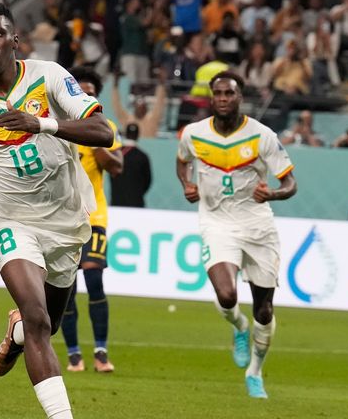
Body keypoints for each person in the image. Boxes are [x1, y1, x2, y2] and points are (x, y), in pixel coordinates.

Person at [0, 3, 114, 418]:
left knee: (45, 325)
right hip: (10, 220)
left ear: (14, 40)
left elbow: (103, 132)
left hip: (67, 220)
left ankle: (15, 334)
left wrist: (42, 124)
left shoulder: (50, 77)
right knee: (38, 319)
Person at [176, 71, 298, 399]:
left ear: (240, 96)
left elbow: (290, 184)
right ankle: (239, 327)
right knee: (227, 295)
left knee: (265, 310)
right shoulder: (194, 133)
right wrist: (187, 185)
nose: (223, 98)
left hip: (258, 226)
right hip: (216, 222)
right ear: (211, 97)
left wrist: (271, 193)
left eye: (230, 93)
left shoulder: (262, 136)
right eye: (218, 93)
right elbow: (182, 162)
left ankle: (255, 372)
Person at [59, 66, 122, 374]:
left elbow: (118, 167)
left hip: (94, 215)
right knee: (66, 286)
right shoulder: (58, 126)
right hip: (61, 219)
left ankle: (100, 351)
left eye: (91, 94)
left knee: (94, 278)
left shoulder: (105, 128)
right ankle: (73, 354)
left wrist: (98, 146)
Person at [111, 68, 166, 139]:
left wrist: (161, 84)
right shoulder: (128, 119)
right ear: (135, 107)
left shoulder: (152, 119)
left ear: (146, 109)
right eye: (138, 106)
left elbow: (160, 103)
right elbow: (117, 105)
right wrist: (115, 84)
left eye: (142, 106)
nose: (140, 108)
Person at [110, 123, 152, 208]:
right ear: (137, 136)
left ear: (126, 134)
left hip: (116, 202)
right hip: (136, 203)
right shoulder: (143, 156)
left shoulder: (116, 154)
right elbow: (148, 181)